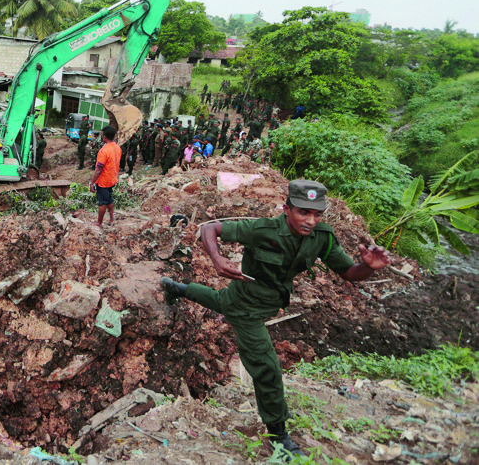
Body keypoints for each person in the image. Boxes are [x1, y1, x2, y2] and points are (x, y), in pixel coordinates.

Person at [161, 180, 391, 458]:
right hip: (248, 308)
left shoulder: (322, 238)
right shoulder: (262, 229)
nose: (311, 220)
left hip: (255, 301)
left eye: (317, 214)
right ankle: (278, 435)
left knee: (221, 301)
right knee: (267, 368)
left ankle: (177, 288)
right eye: (303, 212)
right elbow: (209, 228)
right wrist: (218, 260)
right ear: (287, 209)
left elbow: (349, 273)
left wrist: (367, 267)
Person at [89, 125, 121, 228]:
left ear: (104, 136)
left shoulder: (104, 151)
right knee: (109, 199)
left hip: (103, 180)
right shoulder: (117, 148)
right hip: (112, 178)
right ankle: (112, 219)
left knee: (102, 202)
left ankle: (99, 223)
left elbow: (98, 169)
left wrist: (92, 182)